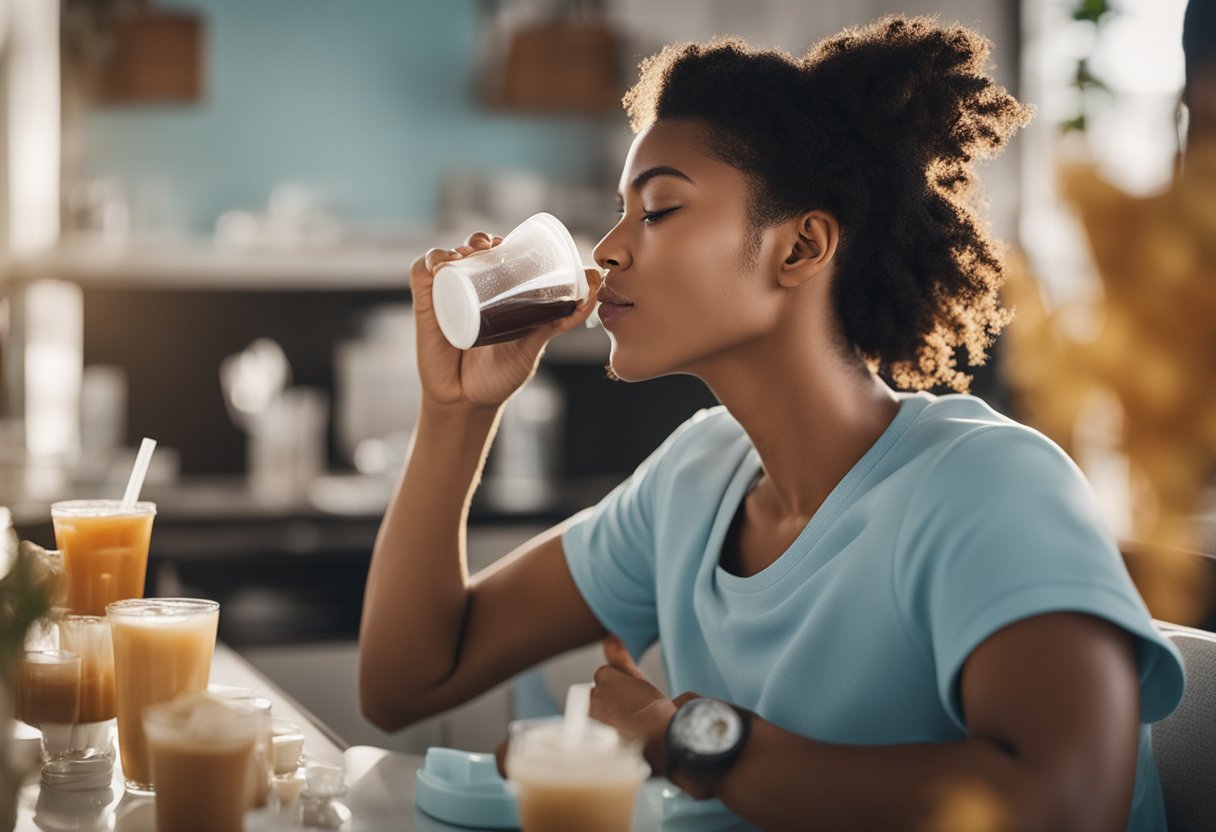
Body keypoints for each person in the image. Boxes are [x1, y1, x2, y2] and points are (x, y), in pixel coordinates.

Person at [360, 15, 1183, 830]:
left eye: (659, 211)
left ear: (799, 249)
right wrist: (457, 410)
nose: (607, 249)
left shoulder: (986, 485)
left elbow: (1065, 801)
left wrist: (676, 736)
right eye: (619, 212)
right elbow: (408, 684)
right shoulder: (695, 480)